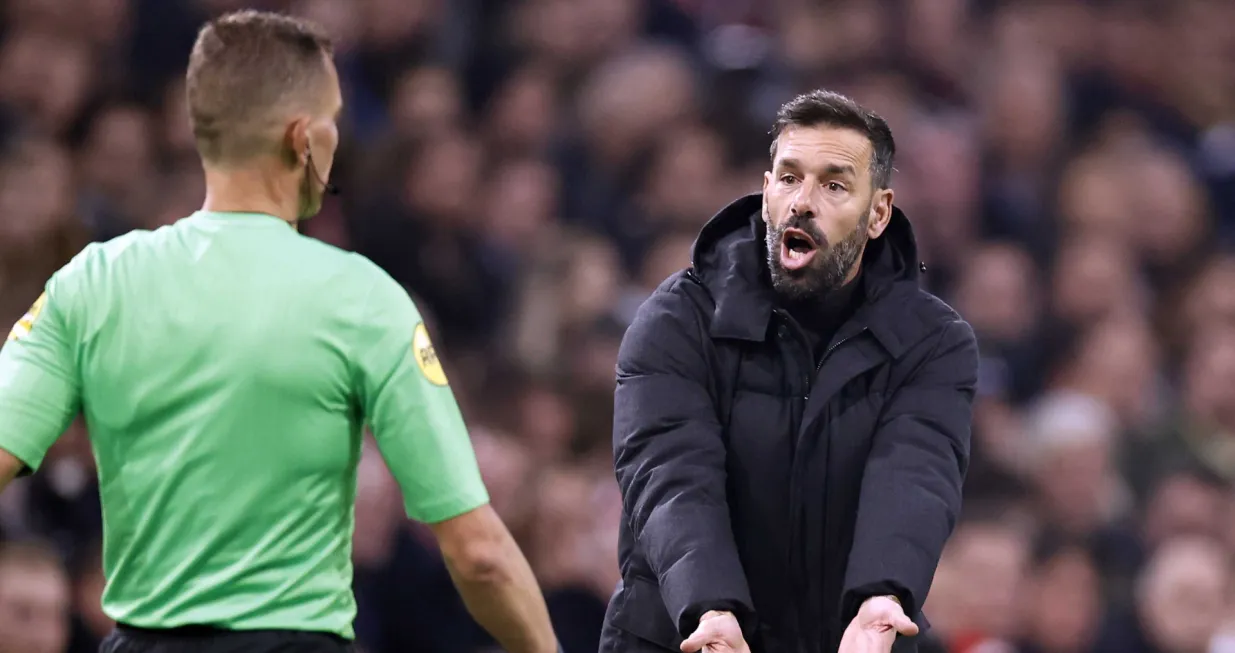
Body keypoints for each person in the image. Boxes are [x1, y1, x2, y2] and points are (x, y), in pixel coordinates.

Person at [0, 11, 558, 653]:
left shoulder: (92, 283)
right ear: (304, 137)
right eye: (335, 118)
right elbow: (478, 551)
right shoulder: (362, 299)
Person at [601, 90, 979, 653]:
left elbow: (915, 474)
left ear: (878, 212)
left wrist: (882, 597)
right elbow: (670, 475)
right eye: (788, 178)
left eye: (833, 184)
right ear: (765, 191)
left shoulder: (933, 343)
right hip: (684, 636)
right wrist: (709, 606)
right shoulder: (677, 321)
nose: (803, 201)